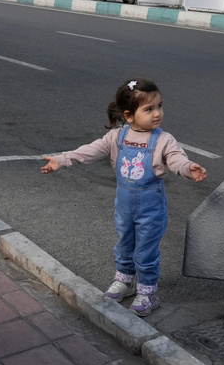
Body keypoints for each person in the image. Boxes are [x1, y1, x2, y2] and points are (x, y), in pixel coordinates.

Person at [41, 79, 206, 316]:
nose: (157, 113)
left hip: (152, 209)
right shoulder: (116, 138)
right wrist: (63, 159)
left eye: (159, 106)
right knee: (125, 245)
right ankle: (125, 281)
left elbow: (175, 158)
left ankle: (148, 291)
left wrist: (188, 168)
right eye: (148, 109)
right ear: (129, 115)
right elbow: (90, 150)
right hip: (124, 208)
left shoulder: (163, 140)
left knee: (146, 251)